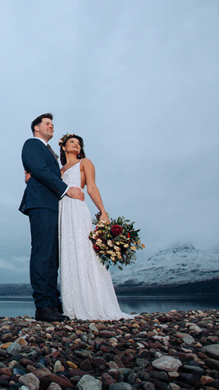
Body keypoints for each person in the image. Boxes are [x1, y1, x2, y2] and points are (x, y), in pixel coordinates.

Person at [57, 133, 134, 321]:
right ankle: (72, 305)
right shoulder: (59, 171)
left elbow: (91, 187)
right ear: (64, 147)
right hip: (62, 211)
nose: (76, 145)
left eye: (79, 143)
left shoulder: (85, 163)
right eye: (72, 142)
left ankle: (94, 303)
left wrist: (103, 212)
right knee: (68, 252)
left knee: (84, 250)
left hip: (76, 208)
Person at [19, 114, 84, 322]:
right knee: (42, 253)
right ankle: (43, 305)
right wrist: (66, 190)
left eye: (52, 124)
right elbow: (38, 168)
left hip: (53, 206)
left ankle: (53, 303)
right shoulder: (32, 144)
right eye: (47, 124)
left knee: (52, 256)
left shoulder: (50, 152)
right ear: (36, 128)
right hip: (41, 203)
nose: (51, 126)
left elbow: (43, 171)